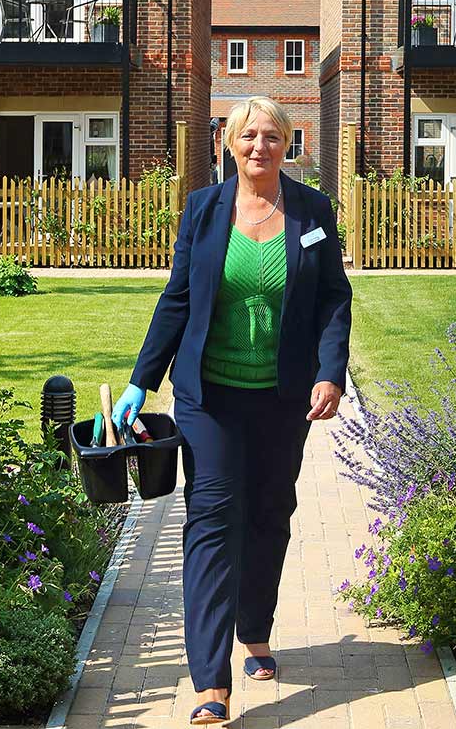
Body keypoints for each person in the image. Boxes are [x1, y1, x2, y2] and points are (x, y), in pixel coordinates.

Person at [113, 96, 352, 725]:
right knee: (213, 521)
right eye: (248, 136)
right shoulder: (205, 208)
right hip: (208, 397)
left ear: (289, 143)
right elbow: (178, 297)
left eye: (272, 137)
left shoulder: (312, 211)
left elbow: (333, 298)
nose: (259, 147)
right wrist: (143, 380)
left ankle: (256, 630)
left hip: (282, 397)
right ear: (228, 141)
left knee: (270, 514)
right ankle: (210, 683)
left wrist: (331, 373)